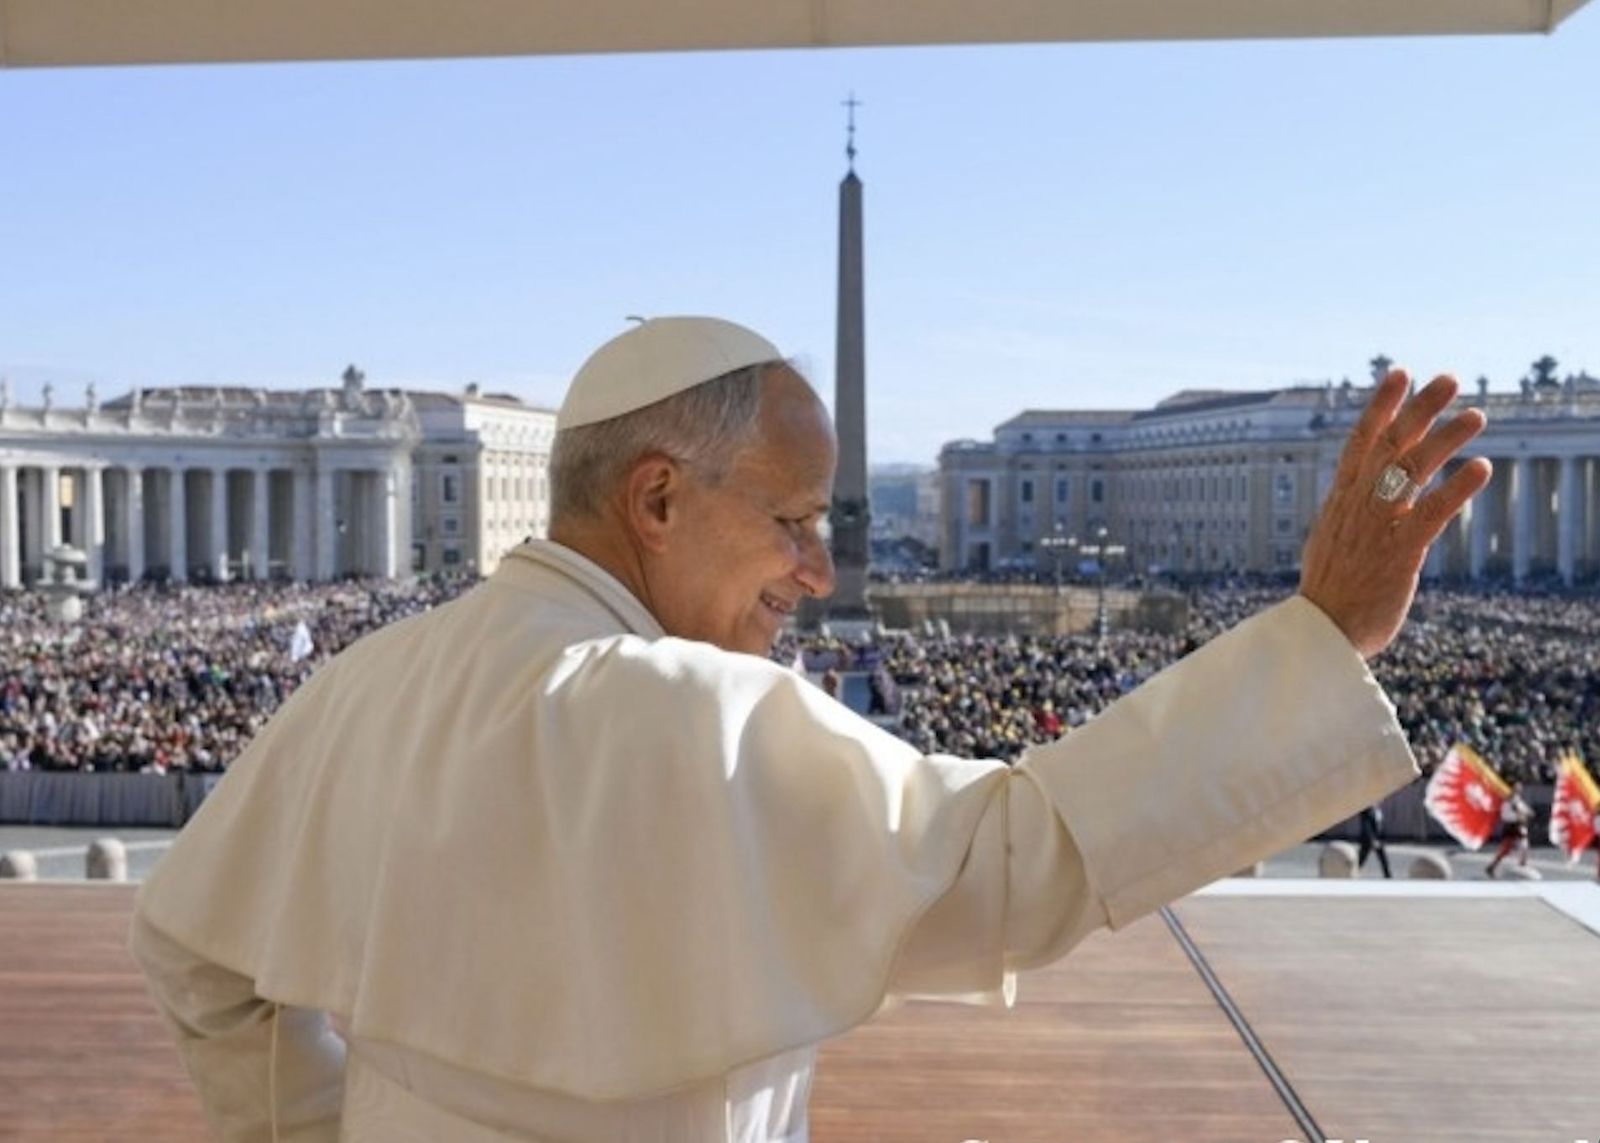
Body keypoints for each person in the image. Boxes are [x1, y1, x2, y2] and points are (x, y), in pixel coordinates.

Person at [130, 316, 1492, 1142]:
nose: (818, 569)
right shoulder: (691, 711)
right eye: (791, 518)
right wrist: (1326, 635)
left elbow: (192, 945)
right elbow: (1015, 859)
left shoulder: (365, 681)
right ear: (658, 500)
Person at [1485, 779, 1534, 878]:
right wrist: (1524, 814)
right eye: (1517, 787)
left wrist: (1528, 813)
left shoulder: (1517, 799)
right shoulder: (1511, 799)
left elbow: (1526, 811)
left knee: (1521, 845)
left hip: (1517, 825)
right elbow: (1518, 810)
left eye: (1520, 786)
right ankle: (1494, 866)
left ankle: (1494, 866)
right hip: (1512, 825)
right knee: (1512, 847)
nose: (1520, 788)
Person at [1356, 803, 1392, 878]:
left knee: (1383, 860)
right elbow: (1366, 826)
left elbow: (1380, 825)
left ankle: (1388, 877)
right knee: (1361, 860)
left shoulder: (1377, 810)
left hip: (1378, 839)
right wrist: (1372, 839)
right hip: (1369, 840)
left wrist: (1381, 838)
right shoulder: (1366, 810)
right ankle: (1352, 874)